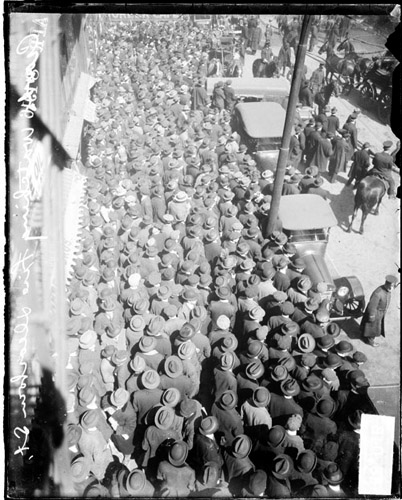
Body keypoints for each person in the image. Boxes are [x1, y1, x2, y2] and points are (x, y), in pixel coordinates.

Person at [360, 275, 399, 347]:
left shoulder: (387, 289)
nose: (391, 288)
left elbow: (393, 287)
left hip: (381, 313)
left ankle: (364, 335)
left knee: (370, 327)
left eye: (393, 287)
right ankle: (370, 341)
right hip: (376, 313)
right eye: (390, 286)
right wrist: (371, 316)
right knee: (373, 328)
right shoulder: (378, 293)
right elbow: (372, 306)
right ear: (386, 284)